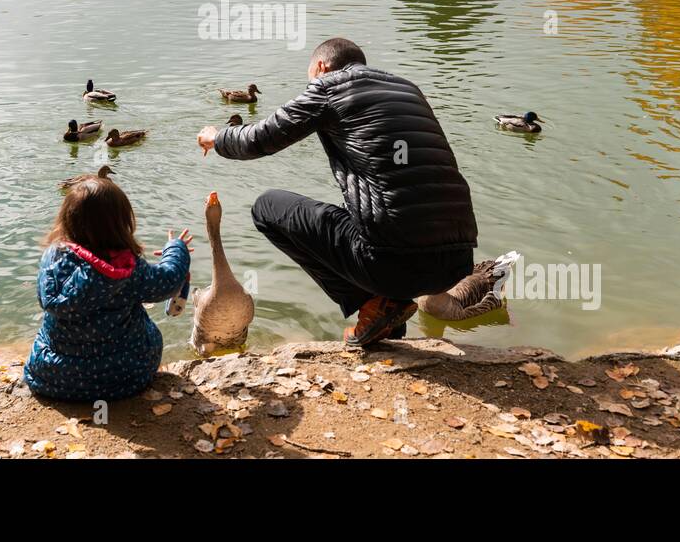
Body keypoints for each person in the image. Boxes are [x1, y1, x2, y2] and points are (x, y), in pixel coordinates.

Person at [197, 37, 478, 347]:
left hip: (395, 265)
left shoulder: (328, 86)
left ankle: (372, 306)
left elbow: (259, 139)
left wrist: (218, 136)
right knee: (380, 211)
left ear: (321, 67)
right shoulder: (407, 88)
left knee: (267, 208)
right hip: (457, 263)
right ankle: (386, 317)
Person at [24, 177, 193, 401]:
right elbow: (168, 283)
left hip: (52, 376)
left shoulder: (53, 258)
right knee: (149, 332)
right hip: (124, 376)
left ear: (67, 219)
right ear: (121, 223)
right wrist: (176, 250)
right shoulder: (127, 267)